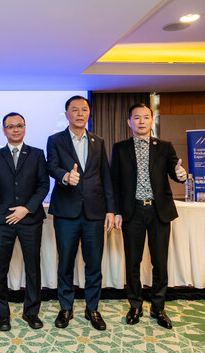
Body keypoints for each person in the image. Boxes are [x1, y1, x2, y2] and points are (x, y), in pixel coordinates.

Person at [110, 103, 187, 330]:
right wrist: (116, 211)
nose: (141, 121)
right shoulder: (120, 148)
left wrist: (180, 174)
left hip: (158, 211)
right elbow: (115, 182)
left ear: (152, 121)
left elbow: (175, 171)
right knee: (133, 262)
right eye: (136, 117)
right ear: (129, 122)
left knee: (159, 262)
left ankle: (158, 307)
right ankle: (135, 305)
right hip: (132, 212)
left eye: (146, 117)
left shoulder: (165, 146)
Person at [46, 95, 116, 330]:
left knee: (94, 263)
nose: (79, 114)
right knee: (65, 263)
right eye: (74, 110)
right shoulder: (55, 139)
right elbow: (51, 166)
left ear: (89, 113)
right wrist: (65, 176)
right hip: (66, 212)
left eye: (84, 109)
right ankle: (65, 308)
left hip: (94, 212)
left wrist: (110, 210)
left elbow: (105, 176)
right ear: (66, 114)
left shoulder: (98, 141)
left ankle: (92, 308)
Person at [0, 112, 49, 331]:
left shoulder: (37, 154)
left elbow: (43, 186)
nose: (16, 129)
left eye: (19, 125)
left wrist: (26, 209)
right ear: (4, 130)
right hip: (3, 220)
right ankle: (3, 314)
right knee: (0, 268)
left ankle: (31, 312)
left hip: (30, 219)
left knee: (33, 268)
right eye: (11, 126)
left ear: (25, 128)